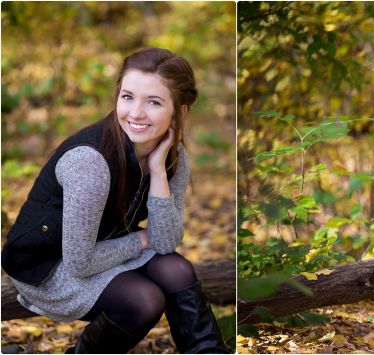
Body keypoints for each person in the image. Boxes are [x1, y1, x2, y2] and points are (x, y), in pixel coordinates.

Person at [1, 47, 227, 354]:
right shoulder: (90, 162)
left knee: (176, 269)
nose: (135, 113)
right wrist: (140, 241)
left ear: (180, 111)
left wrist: (159, 172)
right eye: (128, 96)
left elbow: (166, 241)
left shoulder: (173, 156)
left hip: (104, 247)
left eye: (154, 102)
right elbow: (80, 263)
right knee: (143, 300)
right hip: (48, 267)